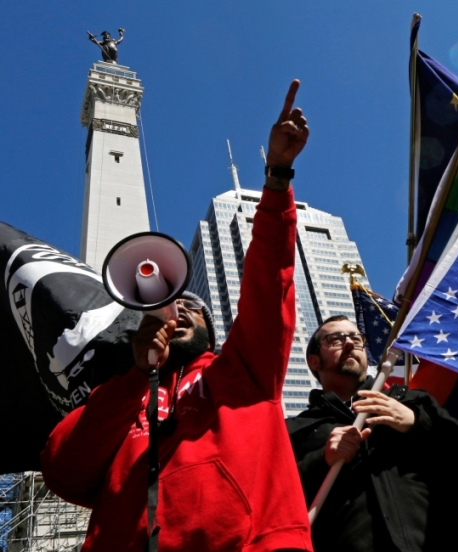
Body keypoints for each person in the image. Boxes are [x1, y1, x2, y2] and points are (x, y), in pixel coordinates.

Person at [41, 80, 313, 552]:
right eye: (172, 306)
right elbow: (65, 469)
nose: (179, 310)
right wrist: (135, 378)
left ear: (213, 333)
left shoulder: (244, 370)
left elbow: (269, 285)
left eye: (193, 308)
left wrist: (276, 179)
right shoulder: (118, 398)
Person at [286, 315, 458, 552]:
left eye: (356, 339)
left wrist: (416, 423)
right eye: (335, 339)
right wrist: (321, 460)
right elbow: (273, 504)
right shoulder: (296, 430)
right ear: (314, 362)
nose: (349, 343)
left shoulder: (414, 403)